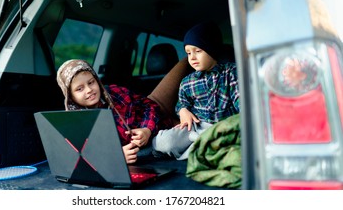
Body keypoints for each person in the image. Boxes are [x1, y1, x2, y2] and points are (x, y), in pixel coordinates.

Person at [152, 22, 240, 160]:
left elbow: (241, 102)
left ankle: (200, 147)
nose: (192, 57)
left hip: (224, 128)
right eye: (188, 53)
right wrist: (182, 111)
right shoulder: (188, 81)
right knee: (163, 142)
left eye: (198, 51)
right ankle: (200, 146)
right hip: (196, 127)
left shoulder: (231, 73)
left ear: (212, 49)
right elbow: (181, 103)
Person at [56, 59, 161, 164]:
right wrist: (116, 156)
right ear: (70, 96)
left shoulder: (117, 93)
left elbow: (149, 105)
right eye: (79, 89)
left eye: (91, 82)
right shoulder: (74, 122)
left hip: (153, 143)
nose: (89, 90)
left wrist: (147, 129)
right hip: (124, 166)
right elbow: (80, 155)